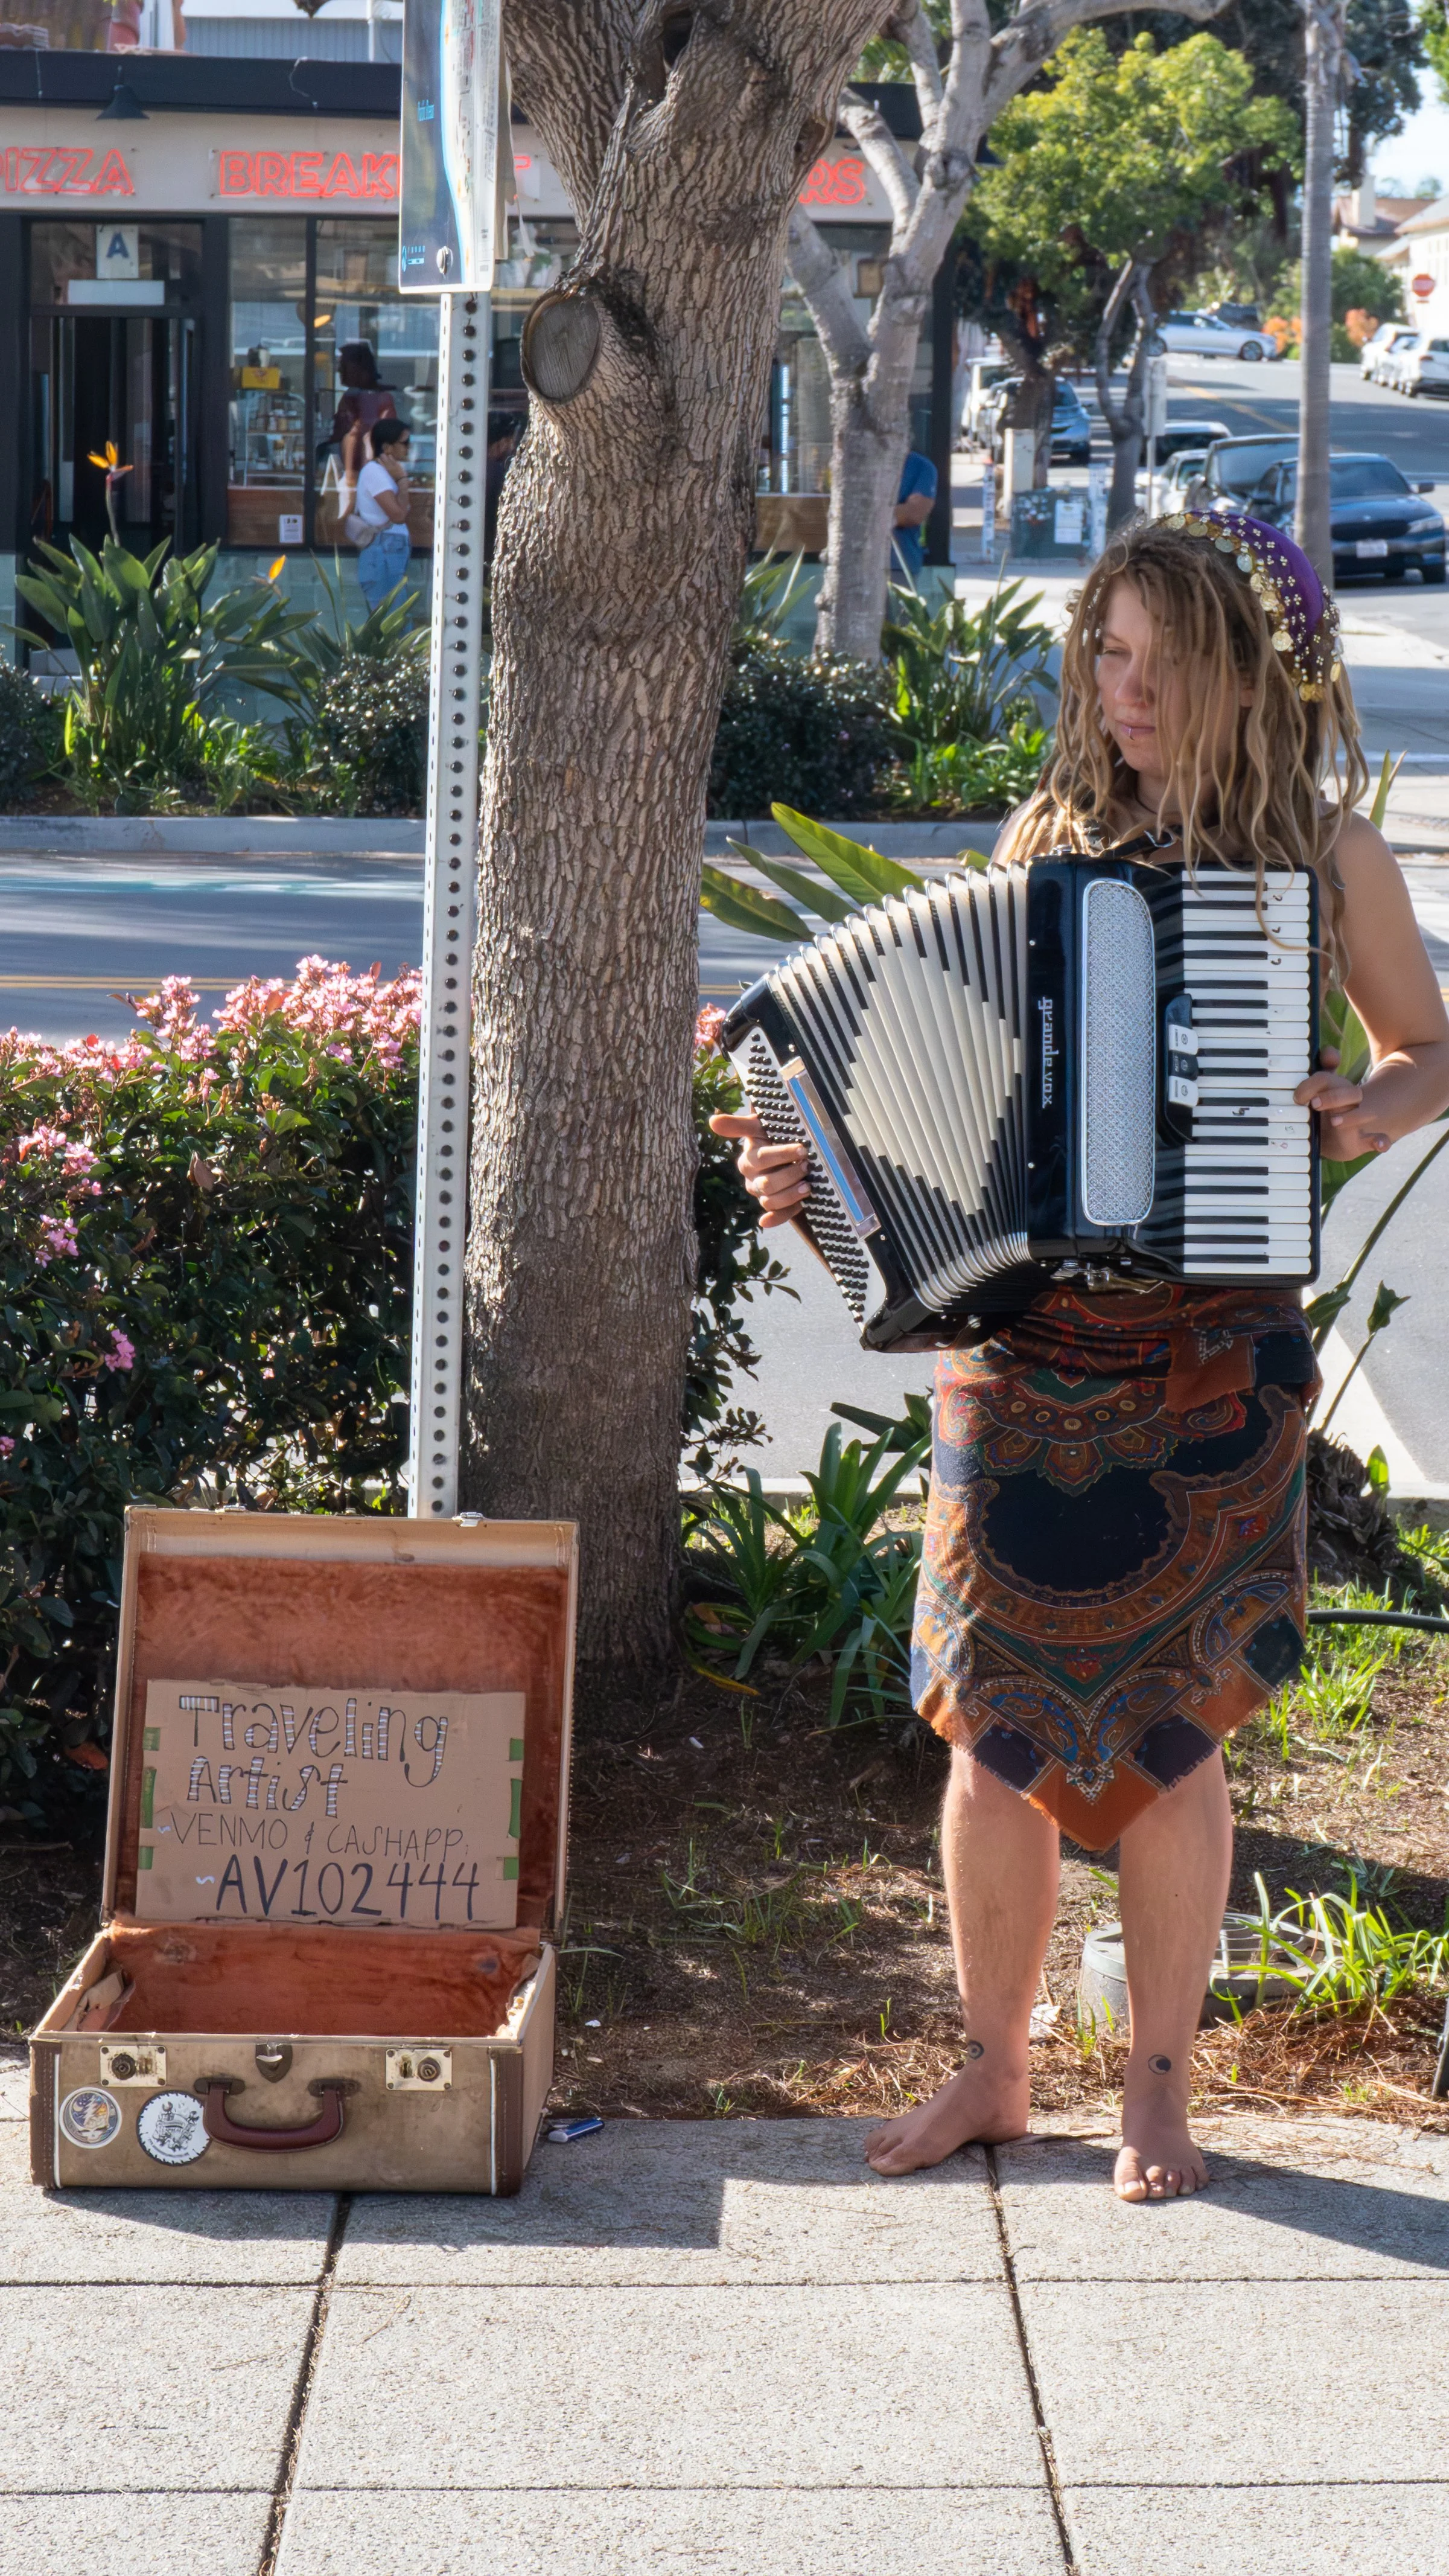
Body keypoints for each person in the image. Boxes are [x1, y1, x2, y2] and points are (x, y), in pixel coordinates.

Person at [713, 510, 1449, 2204]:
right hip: (1028, 1346)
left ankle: (1160, 2093)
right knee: (989, 1731)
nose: (1120, 691)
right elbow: (944, 1097)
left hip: (1212, 1362)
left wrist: (1360, 1108)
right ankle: (991, 2066)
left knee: (1178, 1733)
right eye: (1103, 654)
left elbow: (1428, 1050)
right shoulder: (1047, 841)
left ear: (1246, 671)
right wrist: (812, 1177)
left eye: (1156, 661)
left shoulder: (1330, 863)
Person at [351, 417, 413, 617]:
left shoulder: (384, 472)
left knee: (397, 615)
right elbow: (398, 516)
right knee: (392, 620)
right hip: (383, 550)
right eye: (404, 443)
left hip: (390, 549)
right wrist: (403, 481)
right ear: (387, 447)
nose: (409, 448)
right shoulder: (374, 472)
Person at [891, 448, 938, 582]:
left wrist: (869, 514)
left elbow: (914, 514)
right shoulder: (855, 464)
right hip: (852, 564)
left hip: (900, 565)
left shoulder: (921, 466)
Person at [485, 411, 521, 567]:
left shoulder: (482, 469)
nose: (513, 446)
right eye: (511, 440)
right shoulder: (497, 472)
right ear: (502, 442)